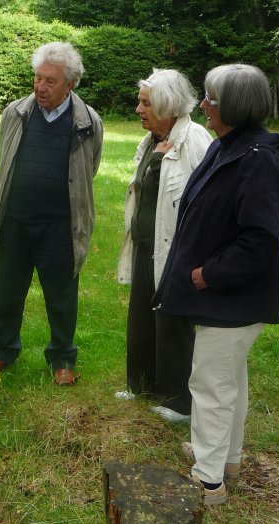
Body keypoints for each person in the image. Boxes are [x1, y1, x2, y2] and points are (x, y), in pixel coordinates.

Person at [154, 64, 279, 505]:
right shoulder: (230, 145)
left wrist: (209, 273)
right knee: (229, 378)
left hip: (231, 296)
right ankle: (225, 456)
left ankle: (208, 480)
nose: (205, 106)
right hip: (224, 296)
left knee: (211, 383)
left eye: (211, 99)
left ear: (233, 106)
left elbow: (261, 239)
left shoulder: (258, 160)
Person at [0, 42, 103, 386]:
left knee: (62, 295)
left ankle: (62, 358)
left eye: (50, 81)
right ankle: (4, 350)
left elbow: (87, 169)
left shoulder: (88, 122)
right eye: (38, 78)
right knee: (8, 290)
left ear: (70, 85)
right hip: (15, 221)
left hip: (60, 225)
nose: (40, 87)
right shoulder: (15, 113)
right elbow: (4, 160)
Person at [116, 69, 212, 422]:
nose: (138, 109)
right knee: (141, 315)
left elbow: (208, 199)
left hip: (176, 249)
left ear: (167, 105)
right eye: (140, 102)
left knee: (172, 321)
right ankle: (140, 385)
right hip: (146, 244)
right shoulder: (154, 138)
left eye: (145, 103)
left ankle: (178, 402)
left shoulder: (195, 139)